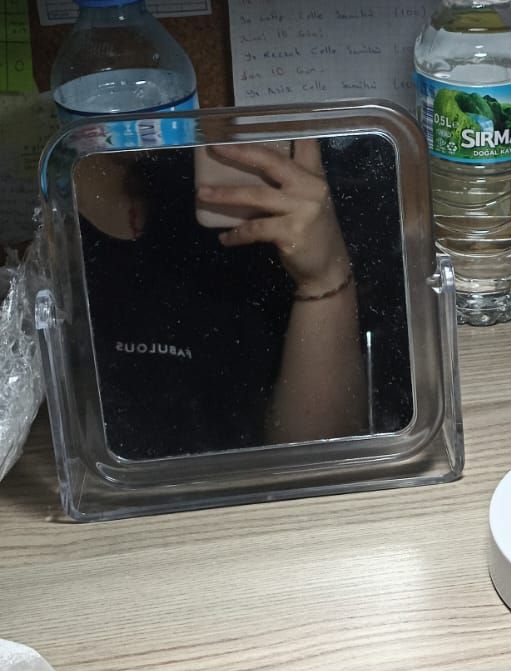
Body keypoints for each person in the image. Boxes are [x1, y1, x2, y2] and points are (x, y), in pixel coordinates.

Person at [76, 135, 412, 460]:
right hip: (101, 484)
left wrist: (323, 277)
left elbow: (316, 463)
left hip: (260, 490)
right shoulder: (59, 230)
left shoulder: (312, 193)